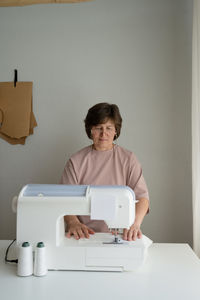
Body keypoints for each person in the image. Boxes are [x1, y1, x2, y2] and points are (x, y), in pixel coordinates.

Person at [60, 102, 149, 241]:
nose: (104, 134)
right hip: (83, 235)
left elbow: (142, 199)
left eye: (109, 128)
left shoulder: (128, 159)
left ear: (116, 131)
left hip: (119, 234)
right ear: (90, 130)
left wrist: (135, 224)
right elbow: (64, 200)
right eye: (98, 128)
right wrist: (73, 223)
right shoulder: (76, 161)